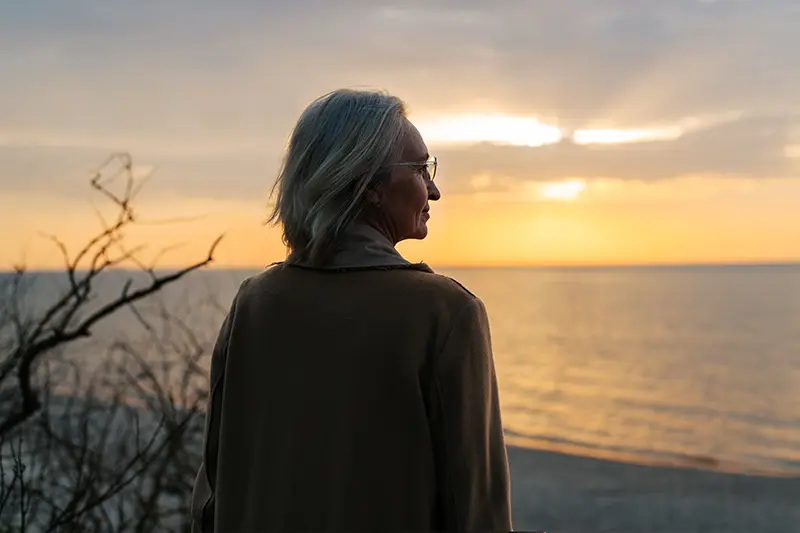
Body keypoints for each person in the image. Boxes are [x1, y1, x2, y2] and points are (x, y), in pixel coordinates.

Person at [190, 89, 513, 532]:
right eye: (420, 169)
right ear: (371, 185)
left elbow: (210, 496)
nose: (434, 190)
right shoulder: (446, 314)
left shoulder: (255, 304)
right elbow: (476, 512)